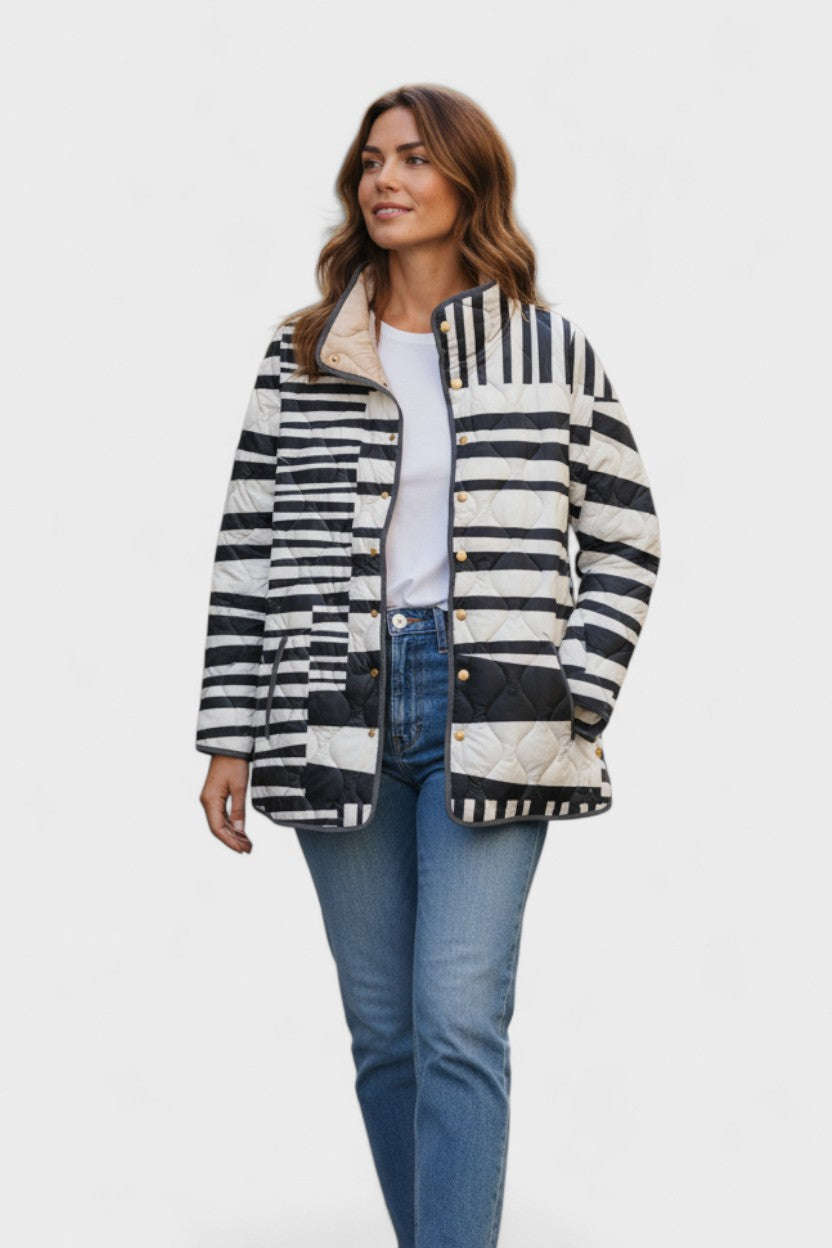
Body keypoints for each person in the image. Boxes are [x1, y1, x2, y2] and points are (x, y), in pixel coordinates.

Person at [196, 83, 661, 1248]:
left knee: (457, 1020)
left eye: (411, 158)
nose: (384, 180)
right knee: (385, 1032)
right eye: (370, 162)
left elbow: (625, 533)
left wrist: (573, 688)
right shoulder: (302, 354)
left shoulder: (547, 350)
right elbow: (248, 548)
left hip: (492, 707)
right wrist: (228, 734)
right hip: (328, 708)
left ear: (467, 181)